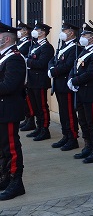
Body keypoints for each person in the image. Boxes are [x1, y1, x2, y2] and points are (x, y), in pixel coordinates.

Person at [69, 21, 93, 164]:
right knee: (82, 120)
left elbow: (90, 73)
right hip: (80, 92)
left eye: (86, 34)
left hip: (90, 92)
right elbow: (75, 67)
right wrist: (71, 78)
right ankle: (87, 146)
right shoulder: (83, 51)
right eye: (82, 34)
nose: (82, 37)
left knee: (92, 122)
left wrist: (75, 81)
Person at [0, 23, 28, 201]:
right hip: (2, 109)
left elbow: (10, 85)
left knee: (11, 147)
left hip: (9, 109)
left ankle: (16, 182)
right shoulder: (5, 57)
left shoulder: (15, 58)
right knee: (2, 147)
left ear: (7, 38)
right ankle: (5, 177)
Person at [48, 21, 80, 151]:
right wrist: (50, 68)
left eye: (65, 31)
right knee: (62, 112)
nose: (62, 33)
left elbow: (68, 65)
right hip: (58, 84)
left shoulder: (75, 48)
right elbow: (53, 59)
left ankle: (72, 137)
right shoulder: (63, 46)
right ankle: (65, 135)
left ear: (71, 33)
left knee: (69, 113)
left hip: (66, 85)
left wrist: (54, 71)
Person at [25, 21, 54, 141]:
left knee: (42, 106)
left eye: (37, 30)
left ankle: (44, 129)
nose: (34, 32)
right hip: (32, 80)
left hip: (40, 80)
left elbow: (42, 64)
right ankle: (38, 126)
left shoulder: (46, 47)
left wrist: (27, 61)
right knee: (35, 106)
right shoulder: (35, 45)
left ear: (42, 32)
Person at [16, 21, 36, 132]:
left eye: (20, 30)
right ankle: (28, 118)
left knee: (29, 99)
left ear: (25, 31)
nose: (18, 32)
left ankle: (31, 120)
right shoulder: (20, 42)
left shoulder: (28, 43)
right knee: (26, 99)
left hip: (27, 75)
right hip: (23, 73)